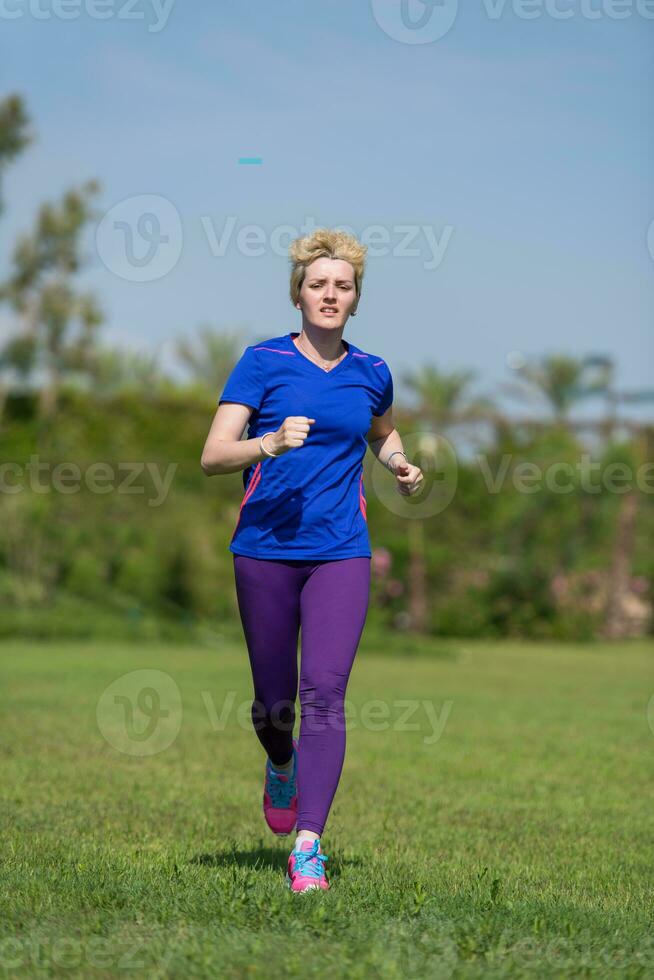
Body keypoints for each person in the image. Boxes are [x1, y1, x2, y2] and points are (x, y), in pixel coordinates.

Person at [201, 228, 423, 892]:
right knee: (275, 706)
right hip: (264, 550)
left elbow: (380, 431)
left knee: (324, 693)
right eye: (318, 284)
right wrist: (266, 443)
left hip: (341, 552)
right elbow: (214, 455)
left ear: (356, 299)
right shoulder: (262, 361)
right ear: (298, 292)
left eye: (343, 286)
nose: (330, 295)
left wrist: (398, 463)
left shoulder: (372, 371)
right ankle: (279, 762)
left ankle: (308, 846)